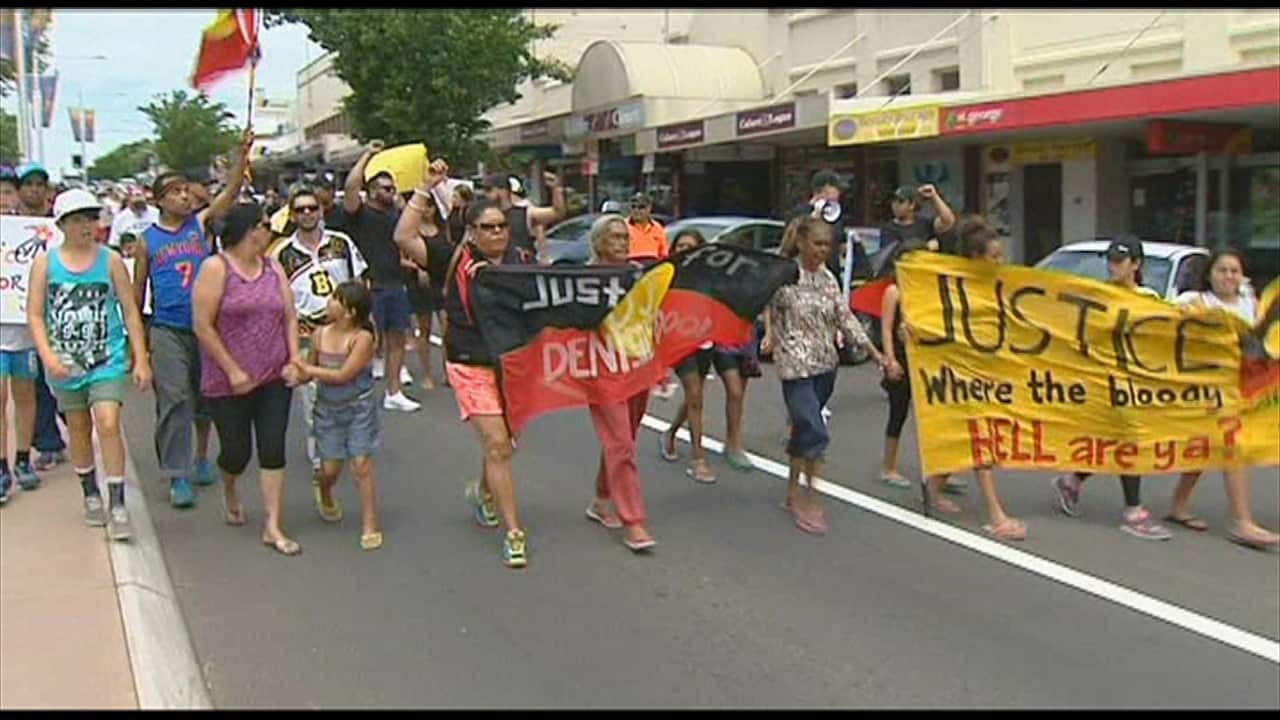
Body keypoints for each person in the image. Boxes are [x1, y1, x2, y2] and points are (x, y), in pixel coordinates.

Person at [134, 129, 253, 508]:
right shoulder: (146, 241)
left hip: (207, 327)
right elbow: (137, 293)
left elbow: (229, 194)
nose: (185, 196)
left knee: (206, 399)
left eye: (187, 190)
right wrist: (135, 344)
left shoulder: (199, 225)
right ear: (159, 201)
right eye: (175, 191)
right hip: (167, 329)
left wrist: (242, 155)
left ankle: (202, 457)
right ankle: (176, 473)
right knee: (174, 399)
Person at [26, 189, 152, 539]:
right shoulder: (45, 264)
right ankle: (90, 492)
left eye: (91, 219)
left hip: (106, 358)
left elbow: (129, 310)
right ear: (63, 224)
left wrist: (139, 357)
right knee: (78, 427)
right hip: (65, 362)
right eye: (78, 220)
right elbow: (35, 314)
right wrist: (48, 356)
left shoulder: (109, 261)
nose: (86, 226)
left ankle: (118, 501)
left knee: (108, 422)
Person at [192, 203, 305, 556]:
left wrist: (295, 357)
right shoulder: (216, 268)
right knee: (236, 451)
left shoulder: (273, 267)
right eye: (264, 225)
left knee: (273, 446)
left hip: (272, 373)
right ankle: (230, 487)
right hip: (229, 380)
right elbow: (203, 325)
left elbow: (288, 316)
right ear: (248, 229)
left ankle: (273, 523)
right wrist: (232, 370)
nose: (269, 231)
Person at [762, 218, 885, 534]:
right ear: (801, 242)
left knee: (803, 432)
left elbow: (846, 319)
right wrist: (769, 335)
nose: (822, 251)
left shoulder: (828, 278)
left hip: (825, 364)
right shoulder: (783, 274)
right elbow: (766, 307)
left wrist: (875, 354)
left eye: (827, 245)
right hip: (794, 365)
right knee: (815, 430)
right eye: (817, 244)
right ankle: (811, 499)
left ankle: (790, 492)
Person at [908, 217, 1026, 539]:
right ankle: (996, 515)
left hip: (988, 374)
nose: (1000, 263)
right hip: (959, 375)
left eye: (1002, 256)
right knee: (980, 440)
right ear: (975, 258)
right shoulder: (950, 285)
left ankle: (931, 491)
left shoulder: (1000, 287)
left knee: (968, 437)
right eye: (994, 257)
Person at [1051, 237, 1172, 541]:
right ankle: (1133, 510)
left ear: (1136, 264)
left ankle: (1073, 479)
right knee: (1130, 437)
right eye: (1111, 260)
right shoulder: (1099, 296)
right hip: (1106, 380)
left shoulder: (1149, 298)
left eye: (1120, 260)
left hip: (1138, 381)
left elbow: (1163, 336)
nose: (1114, 266)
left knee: (1114, 438)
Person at [1167, 250, 1279, 549]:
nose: (1228, 276)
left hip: (1240, 391)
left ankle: (1178, 505)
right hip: (1204, 392)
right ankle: (1242, 522)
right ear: (1210, 275)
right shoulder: (1194, 302)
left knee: (1205, 449)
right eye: (1222, 270)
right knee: (1234, 446)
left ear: (1242, 276)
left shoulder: (1252, 305)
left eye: (1234, 271)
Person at [441, 196, 530, 568]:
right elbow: (404, 234)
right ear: (472, 233)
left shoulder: (523, 262)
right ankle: (514, 533)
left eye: (501, 226)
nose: (496, 233)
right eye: (487, 227)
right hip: (470, 362)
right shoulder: (459, 266)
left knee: (504, 444)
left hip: (512, 365)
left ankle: (481, 491)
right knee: (497, 443)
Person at [270, 187, 368, 483]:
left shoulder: (341, 243)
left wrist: (366, 323)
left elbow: (359, 282)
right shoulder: (281, 254)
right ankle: (321, 460)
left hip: (346, 333)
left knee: (354, 394)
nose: (307, 214)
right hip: (307, 334)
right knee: (314, 401)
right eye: (300, 209)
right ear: (292, 214)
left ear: (321, 210)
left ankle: (353, 446)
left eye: (312, 208)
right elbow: (278, 301)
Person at [582, 214, 658, 551]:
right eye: (615, 237)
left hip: (638, 366)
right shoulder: (582, 279)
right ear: (598, 242)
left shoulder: (636, 275)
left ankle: (601, 499)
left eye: (625, 238)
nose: (623, 243)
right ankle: (634, 521)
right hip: (603, 371)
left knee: (622, 439)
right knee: (621, 444)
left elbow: (650, 316)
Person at [330, 141, 420, 412]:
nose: (391, 193)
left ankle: (394, 392)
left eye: (392, 189)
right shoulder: (358, 214)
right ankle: (356, 395)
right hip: (368, 286)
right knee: (362, 342)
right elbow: (350, 187)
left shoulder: (395, 214)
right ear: (370, 191)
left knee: (397, 339)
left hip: (395, 283)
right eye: (385, 188)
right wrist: (368, 155)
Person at [297, 281, 383, 551]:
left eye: (336, 299)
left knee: (361, 464)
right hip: (327, 409)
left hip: (358, 407)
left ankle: (370, 523)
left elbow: (344, 374)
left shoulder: (362, 339)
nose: (329, 302)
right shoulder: (319, 334)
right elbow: (308, 366)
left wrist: (308, 371)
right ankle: (324, 489)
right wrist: (297, 373)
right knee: (330, 468)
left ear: (350, 312)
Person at [14, 162, 70, 473]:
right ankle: (48, 444)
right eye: (29, 184)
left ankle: (76, 424)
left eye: (40, 184)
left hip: (58, 315)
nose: (34, 190)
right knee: (34, 385)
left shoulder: (60, 226)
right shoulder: (7, 226)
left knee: (63, 379)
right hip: (19, 320)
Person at [394, 162, 455, 391]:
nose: (427, 209)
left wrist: (438, 183)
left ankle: (449, 371)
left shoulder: (443, 227)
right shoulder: (412, 231)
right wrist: (418, 268)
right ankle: (427, 373)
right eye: (424, 206)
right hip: (419, 283)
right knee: (425, 329)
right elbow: (401, 254)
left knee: (448, 326)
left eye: (431, 206)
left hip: (441, 281)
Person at [479, 171, 565, 261]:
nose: (485, 194)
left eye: (489, 190)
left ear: (503, 191)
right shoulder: (484, 216)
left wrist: (556, 188)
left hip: (523, 270)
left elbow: (557, 213)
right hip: (497, 271)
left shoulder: (525, 213)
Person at [789, 170, 847, 277]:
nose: (839, 194)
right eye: (836, 189)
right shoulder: (799, 212)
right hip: (804, 274)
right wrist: (813, 218)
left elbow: (841, 243)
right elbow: (790, 242)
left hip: (831, 274)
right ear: (824, 189)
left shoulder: (835, 214)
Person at [879, 184, 956, 257]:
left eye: (900, 201)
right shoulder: (888, 229)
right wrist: (926, 246)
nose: (895, 205)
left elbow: (948, 221)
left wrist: (934, 197)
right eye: (893, 201)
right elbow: (896, 252)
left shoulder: (925, 223)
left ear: (912, 204)